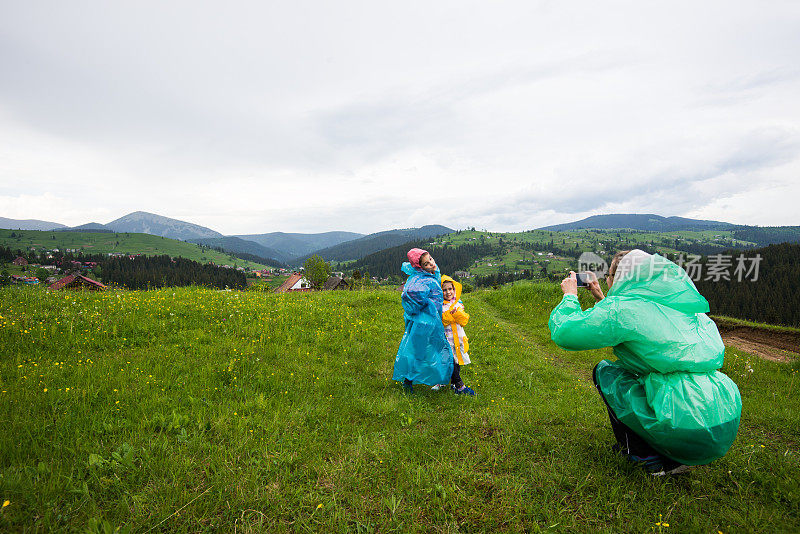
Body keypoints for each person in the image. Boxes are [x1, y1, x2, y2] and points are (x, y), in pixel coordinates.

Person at [548, 249, 742, 476]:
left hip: (681, 423)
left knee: (607, 372)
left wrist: (570, 296)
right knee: (650, 375)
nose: (608, 280)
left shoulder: (622, 311)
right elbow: (640, 325)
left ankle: (647, 458)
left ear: (621, 277)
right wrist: (601, 296)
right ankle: (676, 452)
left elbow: (567, 333)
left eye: (610, 276)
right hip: (722, 415)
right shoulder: (683, 305)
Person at [392, 248, 454, 393]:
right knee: (417, 352)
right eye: (426, 264)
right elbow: (411, 297)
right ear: (420, 267)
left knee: (433, 349)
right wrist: (428, 307)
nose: (431, 264)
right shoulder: (419, 280)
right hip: (423, 324)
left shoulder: (431, 274)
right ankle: (408, 381)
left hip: (432, 321)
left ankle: (440, 378)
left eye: (431, 259)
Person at [433, 275, 476, 395]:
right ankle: (458, 385)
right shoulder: (439, 306)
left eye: (450, 289)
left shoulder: (458, 304)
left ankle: (452, 383)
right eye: (444, 290)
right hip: (445, 339)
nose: (448, 292)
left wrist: (456, 314)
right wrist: (450, 315)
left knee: (456, 361)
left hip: (457, 338)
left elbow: (464, 320)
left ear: (454, 289)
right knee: (447, 361)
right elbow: (442, 321)